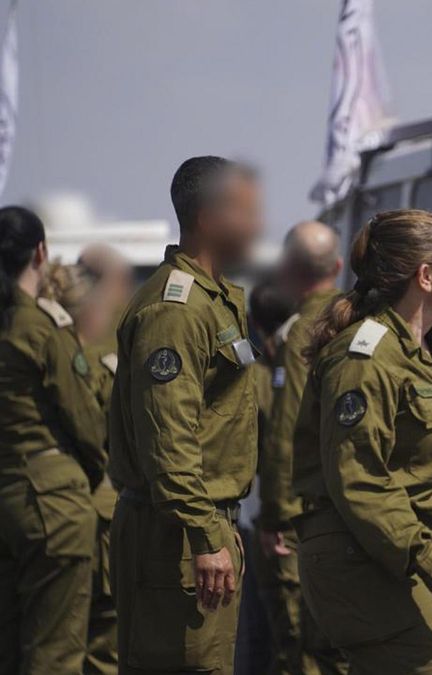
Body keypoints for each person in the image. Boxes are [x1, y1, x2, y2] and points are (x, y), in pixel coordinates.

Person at [291, 209, 432, 674]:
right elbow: (362, 480)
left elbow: (426, 489)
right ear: (426, 276)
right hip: (362, 565)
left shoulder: (429, 353)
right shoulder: (365, 358)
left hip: (397, 559)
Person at [107, 155, 264, 674]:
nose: (258, 225)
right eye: (247, 212)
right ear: (210, 219)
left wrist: (215, 524)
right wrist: (203, 530)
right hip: (173, 533)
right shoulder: (176, 310)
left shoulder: (213, 299)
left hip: (196, 525)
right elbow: (167, 435)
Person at [0, 206, 107, 674]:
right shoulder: (43, 327)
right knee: (55, 654)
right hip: (52, 502)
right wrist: (90, 473)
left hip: (7, 495)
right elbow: (85, 419)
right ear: (40, 252)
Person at [258, 220, 348, 675]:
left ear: (288, 268)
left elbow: (284, 429)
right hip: (351, 509)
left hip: (303, 516)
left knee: (303, 648)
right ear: (337, 266)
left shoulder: (302, 332)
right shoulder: (359, 318)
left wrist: (274, 515)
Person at [40, 261, 125, 675]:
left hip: (43, 511)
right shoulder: (103, 364)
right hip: (99, 515)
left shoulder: (35, 357)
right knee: (103, 640)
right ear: (91, 310)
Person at [242, 279, 297, 675]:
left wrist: (272, 518)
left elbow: (271, 445)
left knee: (283, 629)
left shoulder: (262, 373)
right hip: (317, 513)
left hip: (274, 514)